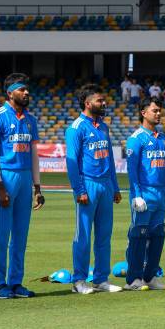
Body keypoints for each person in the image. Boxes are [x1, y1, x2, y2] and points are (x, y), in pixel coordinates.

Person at [0, 73, 45, 299]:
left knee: (21, 235)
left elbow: (34, 156)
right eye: (21, 89)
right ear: (10, 93)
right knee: (1, 235)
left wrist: (37, 187)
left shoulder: (30, 120)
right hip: (6, 178)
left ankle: (16, 282)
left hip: (25, 179)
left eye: (27, 89)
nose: (26, 93)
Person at [65, 84, 122, 294]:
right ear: (88, 103)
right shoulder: (76, 128)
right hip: (87, 184)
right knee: (84, 235)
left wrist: (115, 186)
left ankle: (100, 279)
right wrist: (79, 190)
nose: (104, 103)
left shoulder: (104, 127)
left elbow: (109, 159)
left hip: (106, 184)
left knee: (104, 235)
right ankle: (79, 280)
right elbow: (72, 163)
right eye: (100, 100)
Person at [124, 97, 165, 290]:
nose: (158, 113)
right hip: (144, 193)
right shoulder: (136, 139)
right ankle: (133, 279)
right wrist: (136, 195)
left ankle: (150, 276)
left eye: (159, 110)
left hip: (160, 194)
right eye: (154, 110)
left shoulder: (162, 139)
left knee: (158, 234)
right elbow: (132, 170)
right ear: (143, 113)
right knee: (139, 235)